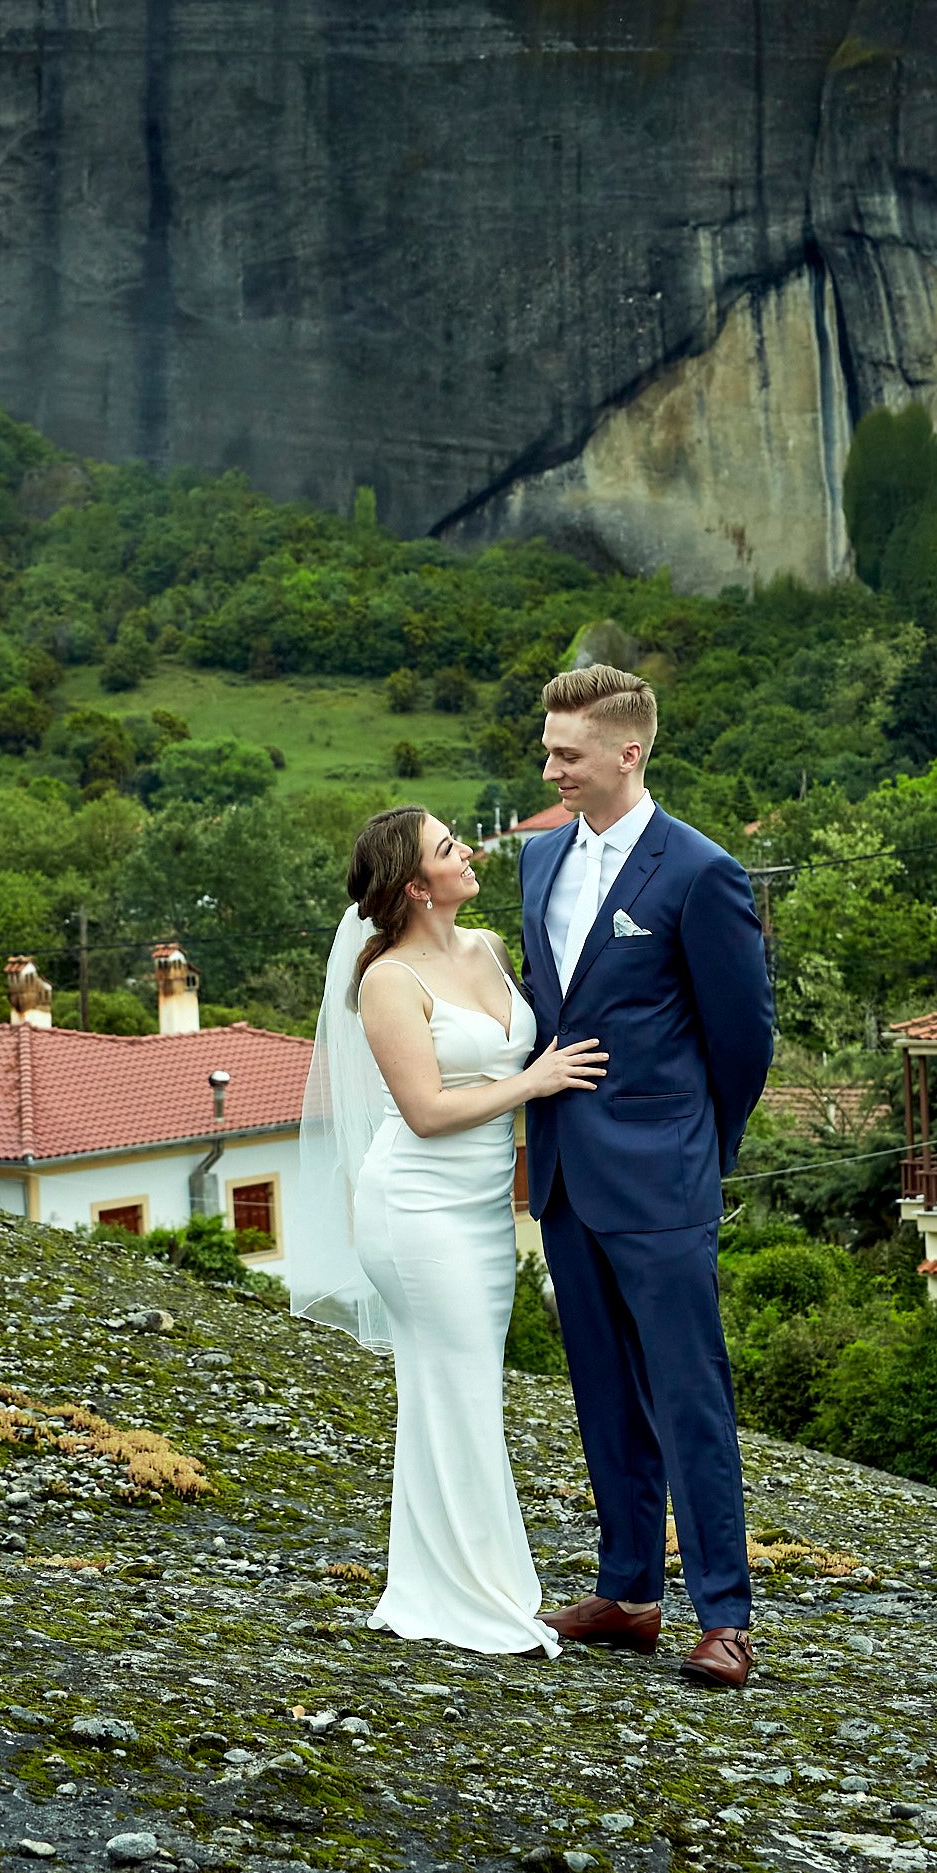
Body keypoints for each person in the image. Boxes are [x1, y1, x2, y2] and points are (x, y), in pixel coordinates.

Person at [293, 804, 607, 1656]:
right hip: (418, 1211)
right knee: (456, 1392)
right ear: (413, 886)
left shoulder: (490, 948)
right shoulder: (388, 981)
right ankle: (464, 1596)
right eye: (446, 848)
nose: (466, 851)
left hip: (478, 1211)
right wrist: (536, 1083)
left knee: (461, 1393)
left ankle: (462, 1584)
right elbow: (427, 1112)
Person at [520, 665, 775, 1688]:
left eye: (566, 754)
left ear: (629, 752)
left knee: (689, 1396)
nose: (550, 769)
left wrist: (698, 1152)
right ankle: (627, 1595)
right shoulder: (538, 863)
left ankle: (725, 1617)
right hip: (565, 1180)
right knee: (600, 1394)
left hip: (665, 1177)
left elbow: (743, 1038)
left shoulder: (700, 871)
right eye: (546, 750)